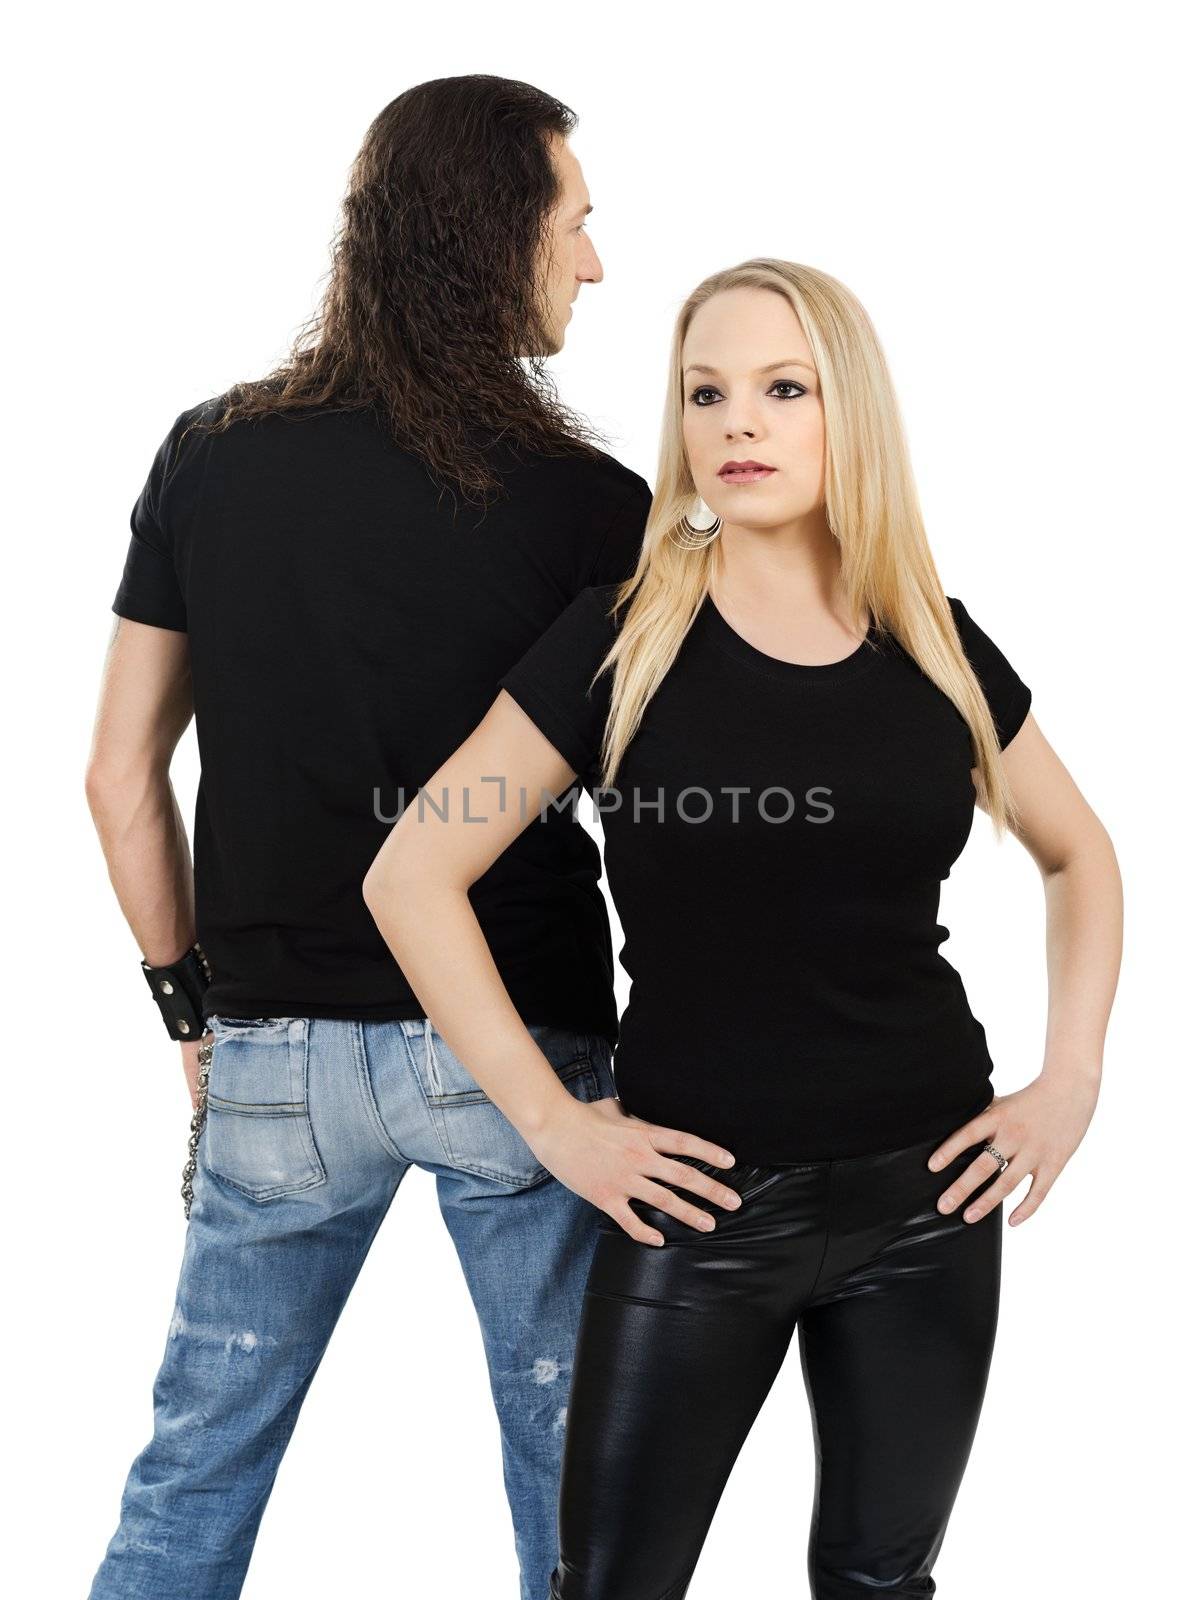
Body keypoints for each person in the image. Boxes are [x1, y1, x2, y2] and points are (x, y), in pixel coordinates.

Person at [363, 258, 1122, 1597]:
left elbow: (1082, 855)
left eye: (783, 388)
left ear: (852, 416)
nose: (738, 425)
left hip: (928, 1202)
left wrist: (1071, 1080)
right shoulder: (617, 643)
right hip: (699, 1209)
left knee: (880, 1584)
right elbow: (413, 872)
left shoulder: (938, 647)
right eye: (706, 393)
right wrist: (556, 1124)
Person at [84, 75, 663, 1600]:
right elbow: (662, 813)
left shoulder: (210, 455)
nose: (594, 264)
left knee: (188, 1489)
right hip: (521, 1058)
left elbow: (118, 779)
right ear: (495, 238)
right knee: (579, 1511)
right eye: (576, 221)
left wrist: (192, 1014)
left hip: (274, 1053)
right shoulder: (596, 508)